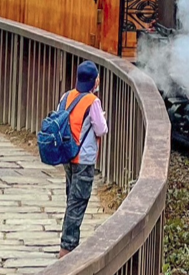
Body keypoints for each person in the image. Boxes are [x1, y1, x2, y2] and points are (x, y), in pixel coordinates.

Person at [57, 61, 108, 258]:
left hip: (68, 156)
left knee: (72, 199)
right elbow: (101, 129)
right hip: (84, 159)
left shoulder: (66, 96)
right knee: (77, 203)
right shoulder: (92, 101)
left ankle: (68, 244)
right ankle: (67, 249)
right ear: (96, 81)